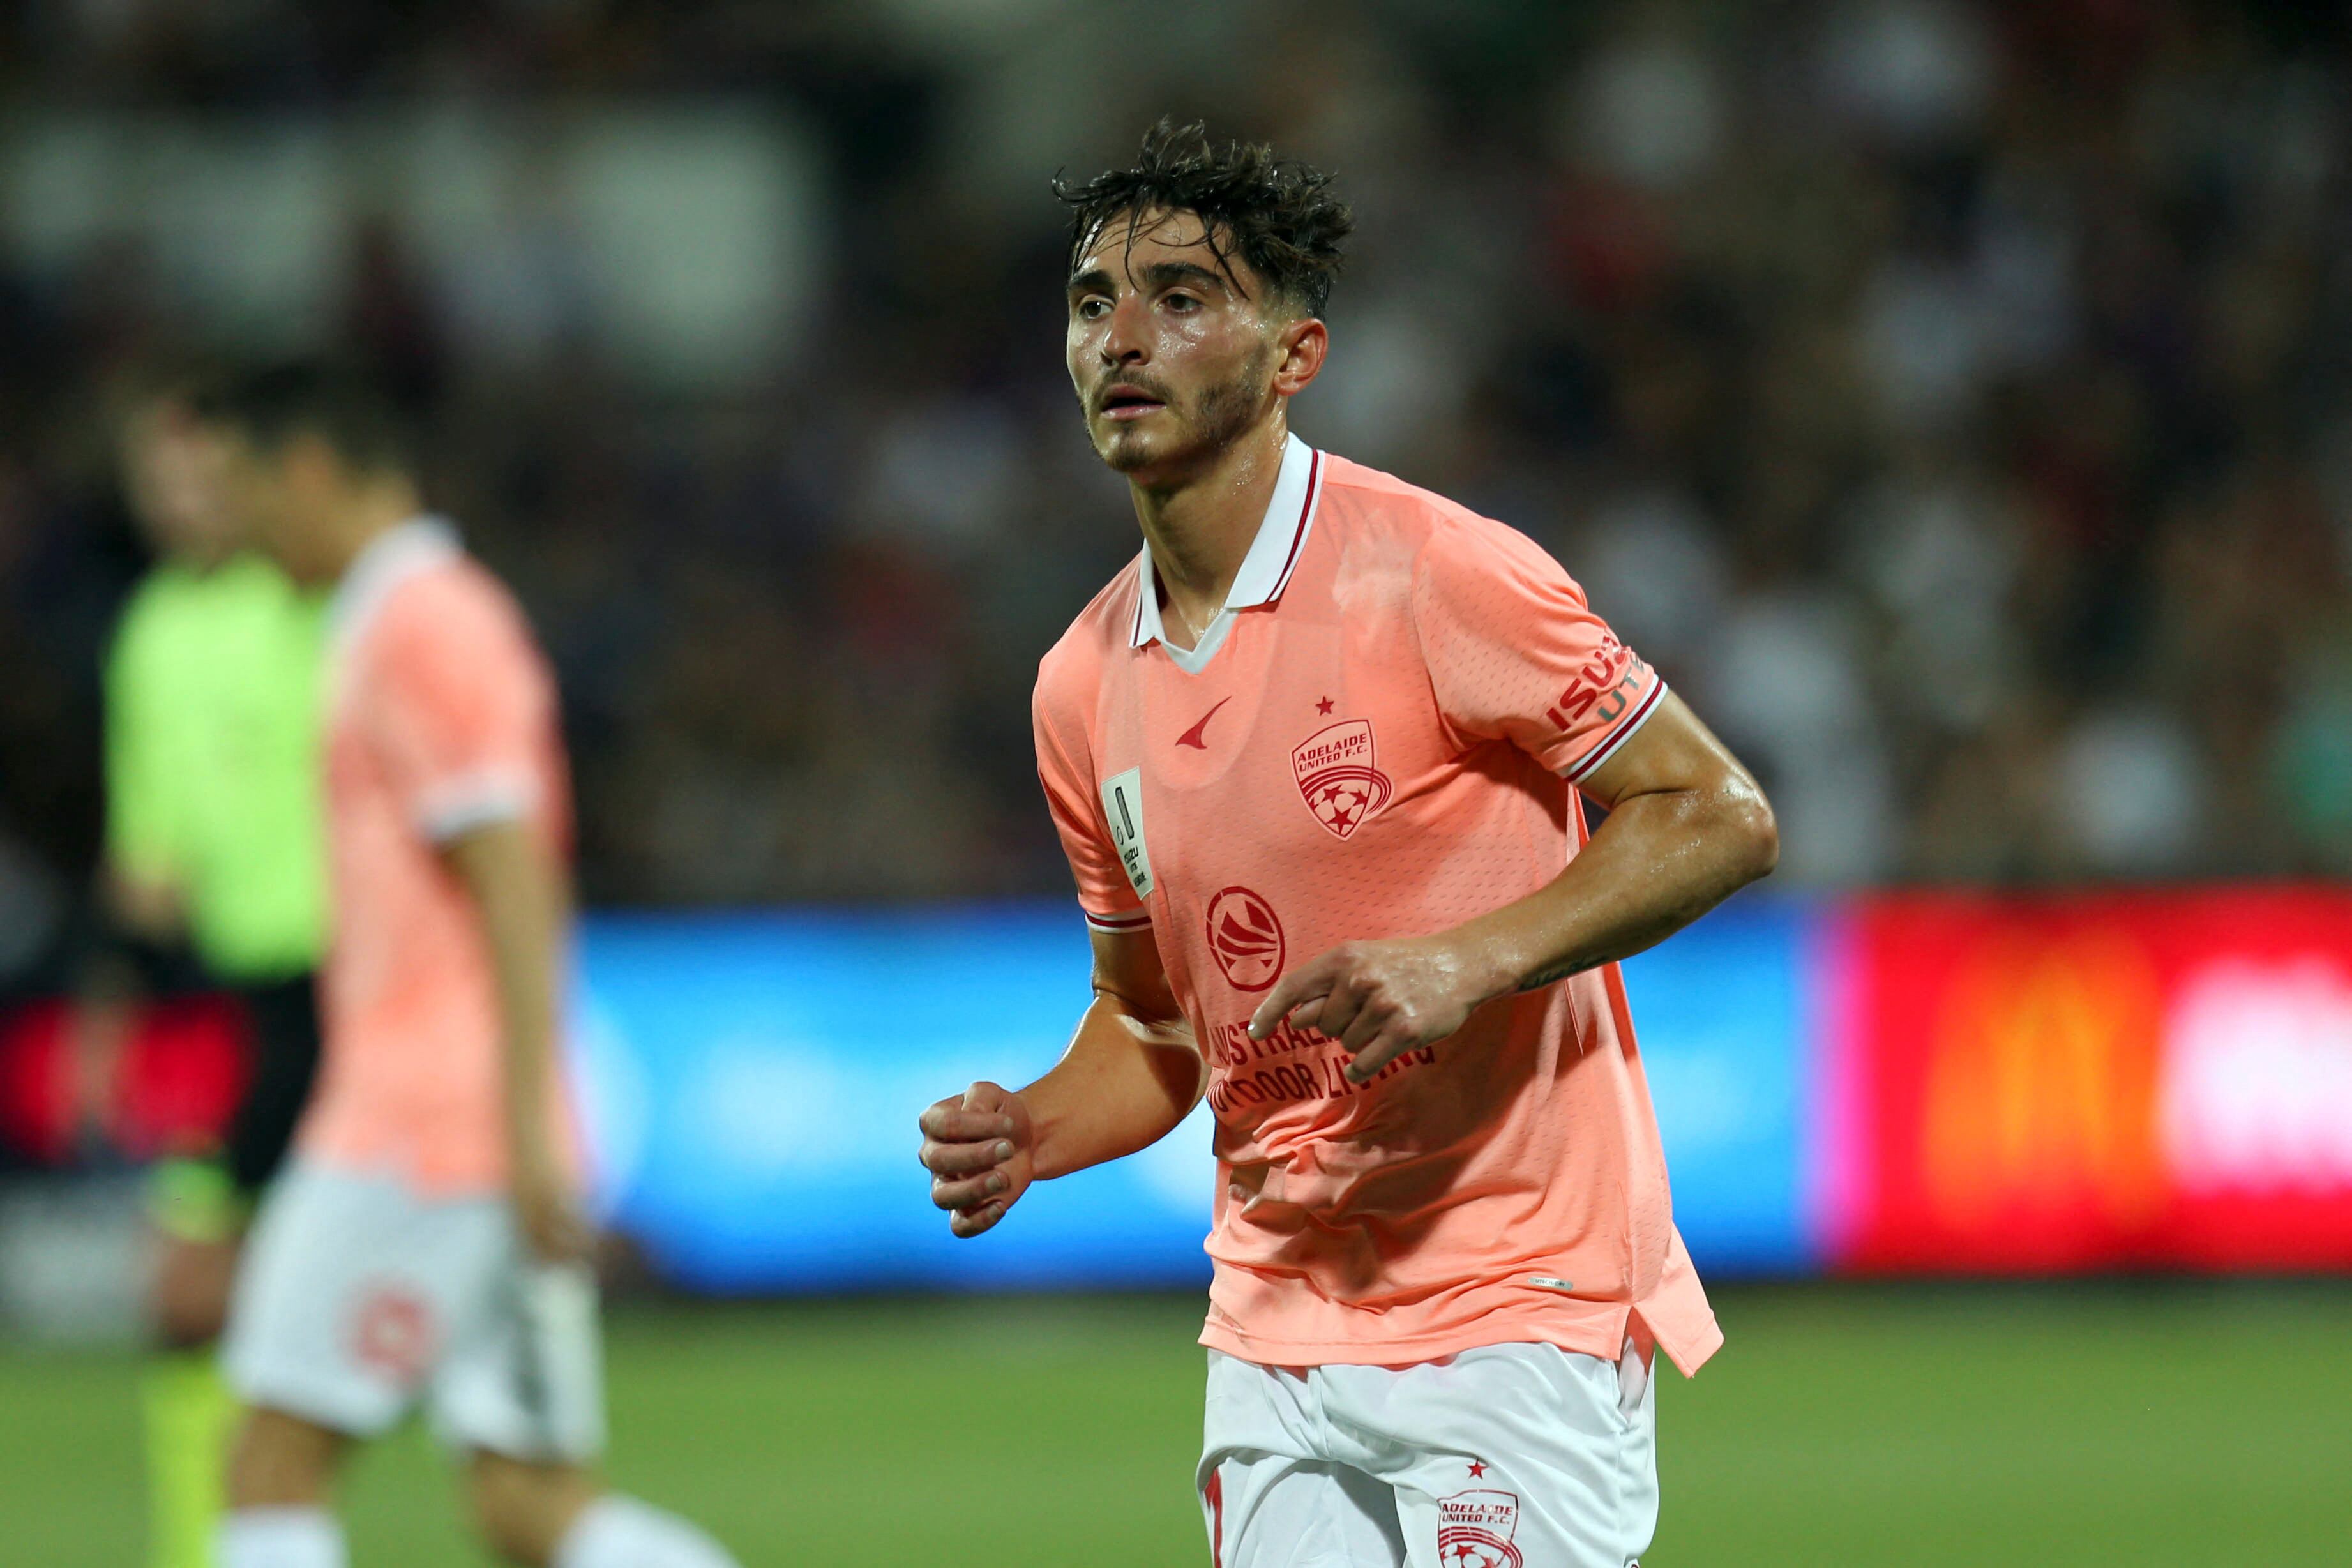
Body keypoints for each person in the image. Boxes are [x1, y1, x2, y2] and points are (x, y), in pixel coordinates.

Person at [917, 121, 1779, 1568]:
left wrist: (1469, 960)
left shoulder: (1435, 572)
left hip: (1511, 1297)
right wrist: (1033, 1130)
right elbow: (1157, 1030)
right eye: (1091, 303)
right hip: (1277, 1321)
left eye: (1183, 298)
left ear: (1293, 356)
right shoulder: (1080, 687)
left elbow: (1720, 815)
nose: (1123, 337)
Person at [194, 363, 739, 1568]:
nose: (237, 527)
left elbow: (511, 868)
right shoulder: (428, 615)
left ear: (312, 470)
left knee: (270, 1462)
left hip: (419, 1126)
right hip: (481, 1121)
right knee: (527, 1504)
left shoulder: (418, 622)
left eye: (246, 491)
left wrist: (525, 1120)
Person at [80, 384, 330, 1568]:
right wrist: (105, 1014)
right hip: (240, 1012)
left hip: (356, 996)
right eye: (157, 479)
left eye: (201, 472)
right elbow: (149, 865)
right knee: (190, 1304)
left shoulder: (319, 607)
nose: (181, 501)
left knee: (275, 1307)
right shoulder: (150, 634)